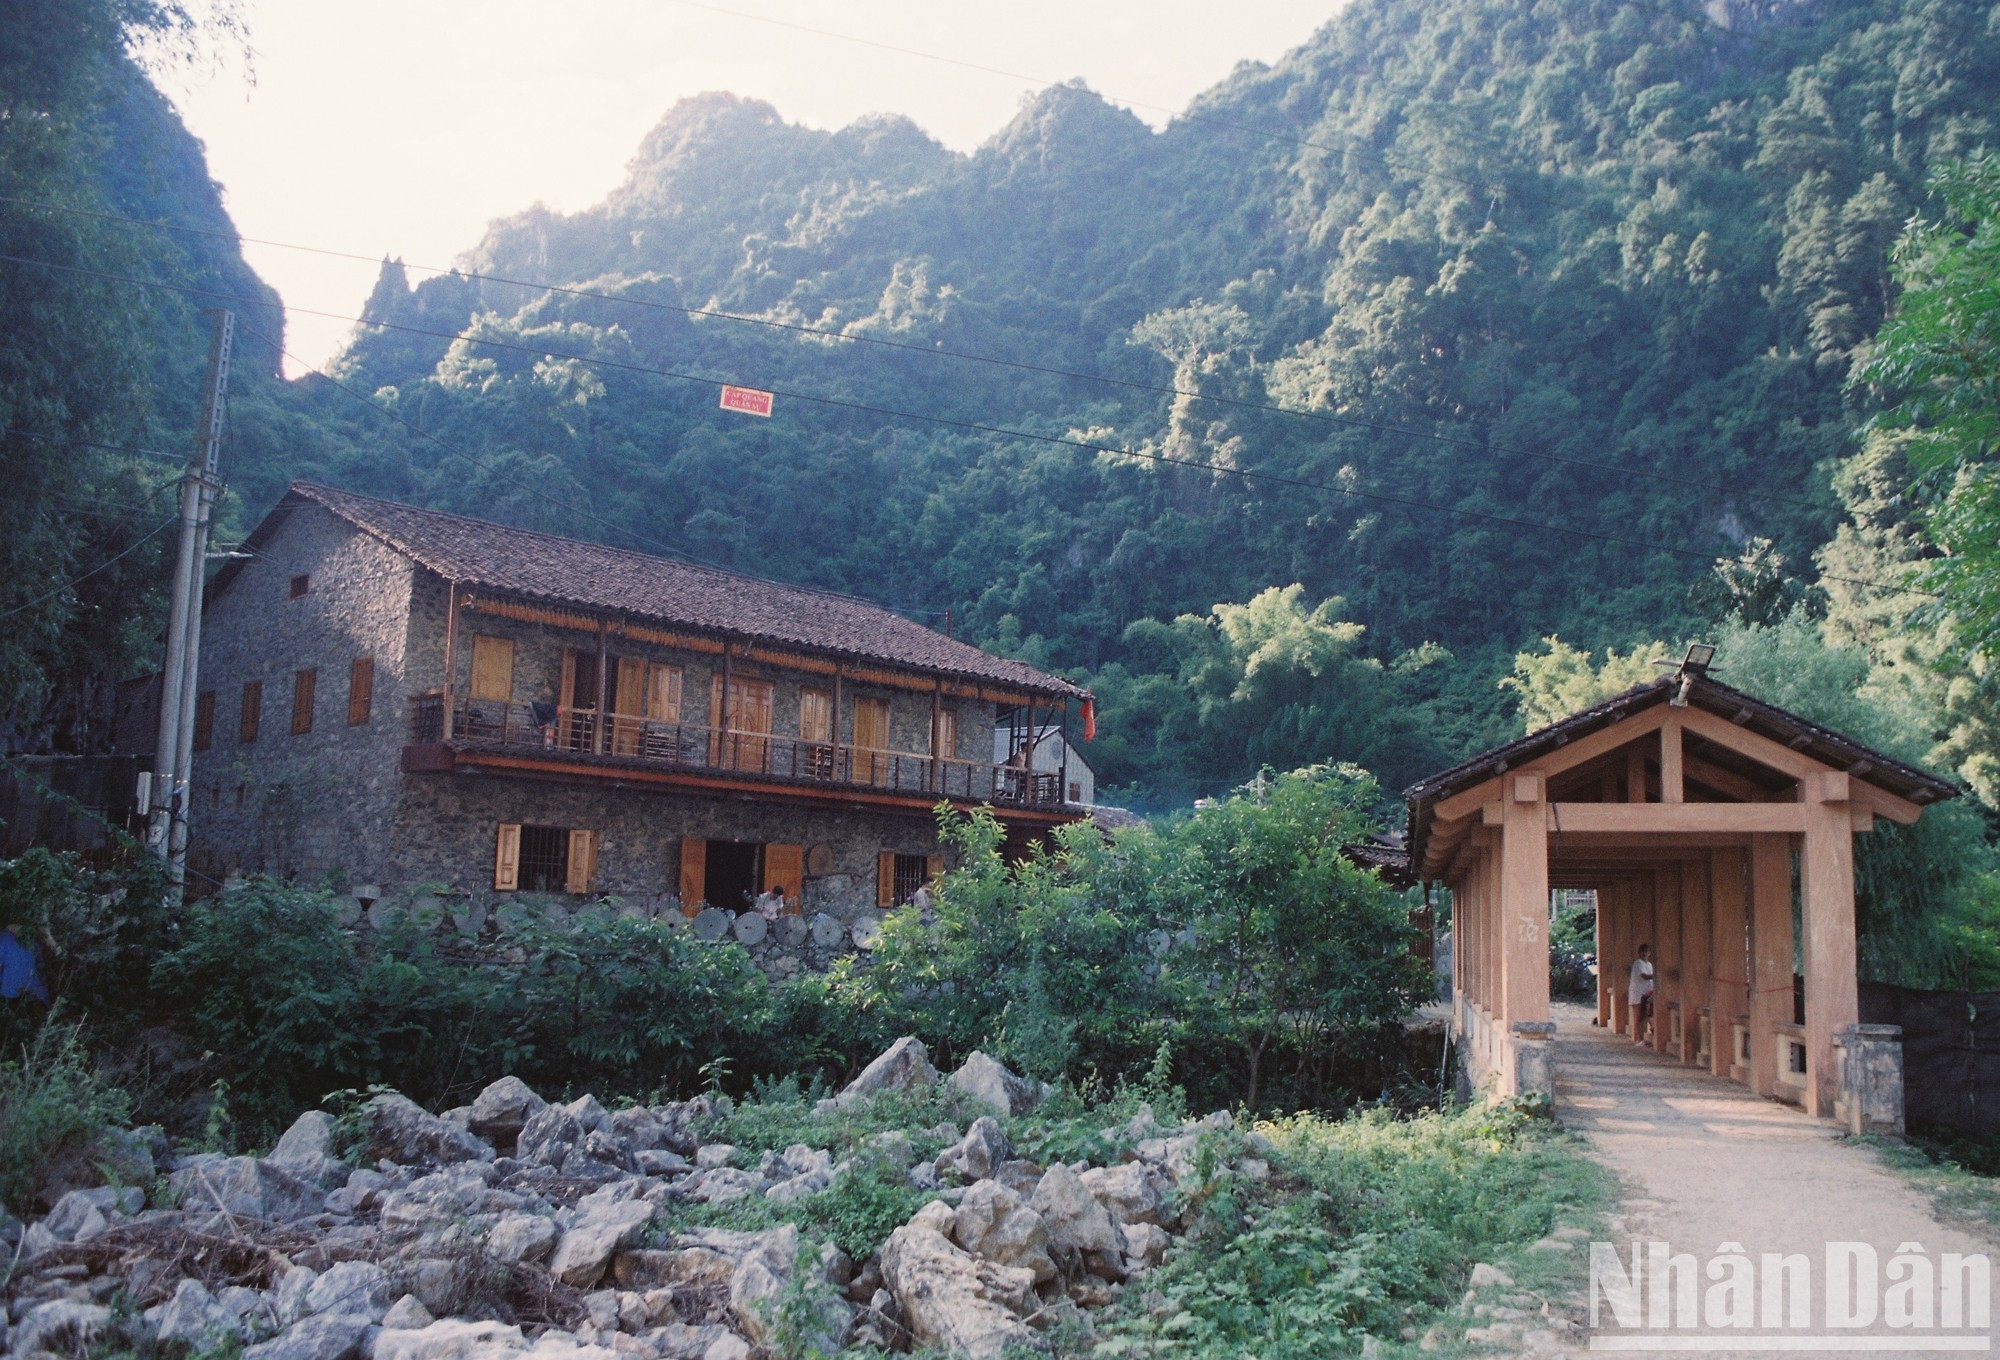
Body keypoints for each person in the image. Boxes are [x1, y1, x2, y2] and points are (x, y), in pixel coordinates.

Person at [1628, 944, 1655, 1045]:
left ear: (1650, 953)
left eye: (1646, 951)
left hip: (1647, 992)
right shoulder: (1638, 963)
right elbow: (1644, 976)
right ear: (1639, 952)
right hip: (1638, 993)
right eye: (1643, 951)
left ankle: (1643, 1038)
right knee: (1638, 1017)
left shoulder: (1649, 965)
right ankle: (1638, 1038)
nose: (1645, 953)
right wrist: (1657, 975)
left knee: (1645, 1015)